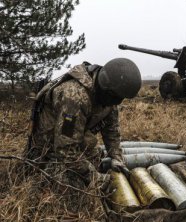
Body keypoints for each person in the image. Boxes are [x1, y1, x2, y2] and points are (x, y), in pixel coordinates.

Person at [25, 58, 142, 190]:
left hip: (74, 144)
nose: (117, 103)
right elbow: (66, 150)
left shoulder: (108, 96)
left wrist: (116, 157)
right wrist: (94, 177)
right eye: (116, 98)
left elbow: (111, 130)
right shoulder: (74, 97)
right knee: (74, 187)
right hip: (49, 152)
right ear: (106, 90)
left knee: (96, 162)